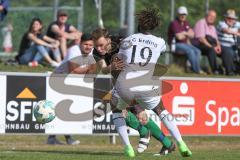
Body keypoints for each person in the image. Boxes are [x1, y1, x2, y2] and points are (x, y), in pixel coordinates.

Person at [111, 8, 192, 158]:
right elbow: (159, 52)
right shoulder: (160, 42)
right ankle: (181, 142)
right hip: (147, 84)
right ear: (154, 26)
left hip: (126, 84)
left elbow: (120, 60)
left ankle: (128, 147)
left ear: (139, 24)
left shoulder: (127, 40)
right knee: (161, 110)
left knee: (116, 110)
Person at [92, 28, 176, 157]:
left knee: (134, 112)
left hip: (137, 82)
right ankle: (165, 143)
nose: (99, 49)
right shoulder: (96, 52)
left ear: (109, 39)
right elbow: (103, 70)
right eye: (96, 46)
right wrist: (111, 67)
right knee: (126, 111)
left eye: (101, 45)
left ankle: (148, 134)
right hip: (122, 85)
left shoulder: (122, 42)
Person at [47, 33, 95, 145]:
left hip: (70, 82)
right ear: (80, 43)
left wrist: (88, 69)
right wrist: (88, 68)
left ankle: (54, 138)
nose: (88, 47)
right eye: (85, 44)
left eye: (90, 45)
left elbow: (92, 71)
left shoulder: (91, 52)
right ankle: (58, 138)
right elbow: (72, 71)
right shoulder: (74, 50)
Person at [168, 6, 201, 74]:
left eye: (184, 14)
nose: (183, 16)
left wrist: (184, 33)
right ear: (178, 14)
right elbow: (179, 37)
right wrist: (187, 33)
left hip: (185, 44)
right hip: (175, 45)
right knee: (191, 51)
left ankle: (195, 69)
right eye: (181, 14)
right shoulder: (174, 23)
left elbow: (192, 35)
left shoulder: (186, 23)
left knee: (198, 51)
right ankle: (197, 71)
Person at [193, 9, 222, 74]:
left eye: (214, 17)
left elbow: (216, 39)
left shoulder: (212, 26)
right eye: (210, 16)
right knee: (211, 50)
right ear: (206, 16)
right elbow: (201, 39)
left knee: (225, 50)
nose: (212, 18)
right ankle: (215, 70)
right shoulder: (201, 22)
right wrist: (213, 47)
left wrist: (218, 46)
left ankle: (228, 70)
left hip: (208, 45)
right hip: (198, 45)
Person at [217, 9, 240, 75]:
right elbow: (226, 30)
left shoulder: (237, 24)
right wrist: (237, 33)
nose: (231, 20)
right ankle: (229, 71)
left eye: (233, 18)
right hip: (223, 45)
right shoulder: (221, 23)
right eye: (229, 18)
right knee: (229, 51)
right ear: (225, 18)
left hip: (234, 45)